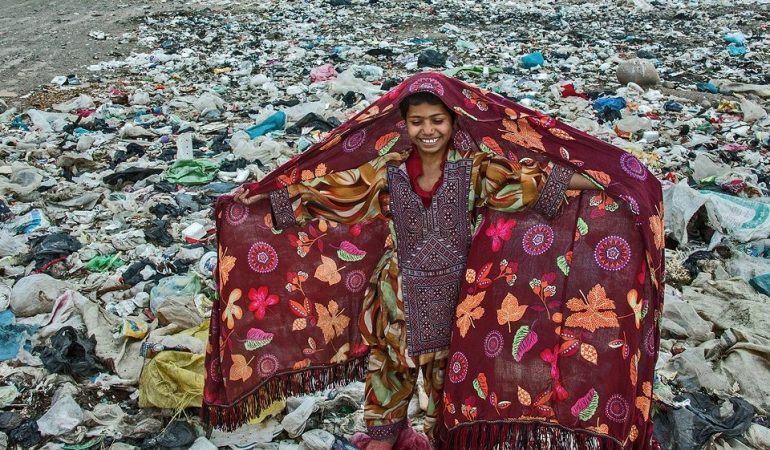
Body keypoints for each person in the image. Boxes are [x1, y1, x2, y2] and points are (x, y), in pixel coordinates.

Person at [204, 72, 663, 450]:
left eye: (437, 120)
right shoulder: (387, 172)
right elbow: (332, 194)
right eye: (418, 121)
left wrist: (607, 183)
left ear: (452, 121)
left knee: (449, 389)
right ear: (403, 124)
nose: (428, 130)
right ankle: (386, 439)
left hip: (456, 300)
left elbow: (530, 185)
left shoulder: (475, 170)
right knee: (388, 372)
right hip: (395, 296)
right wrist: (258, 199)